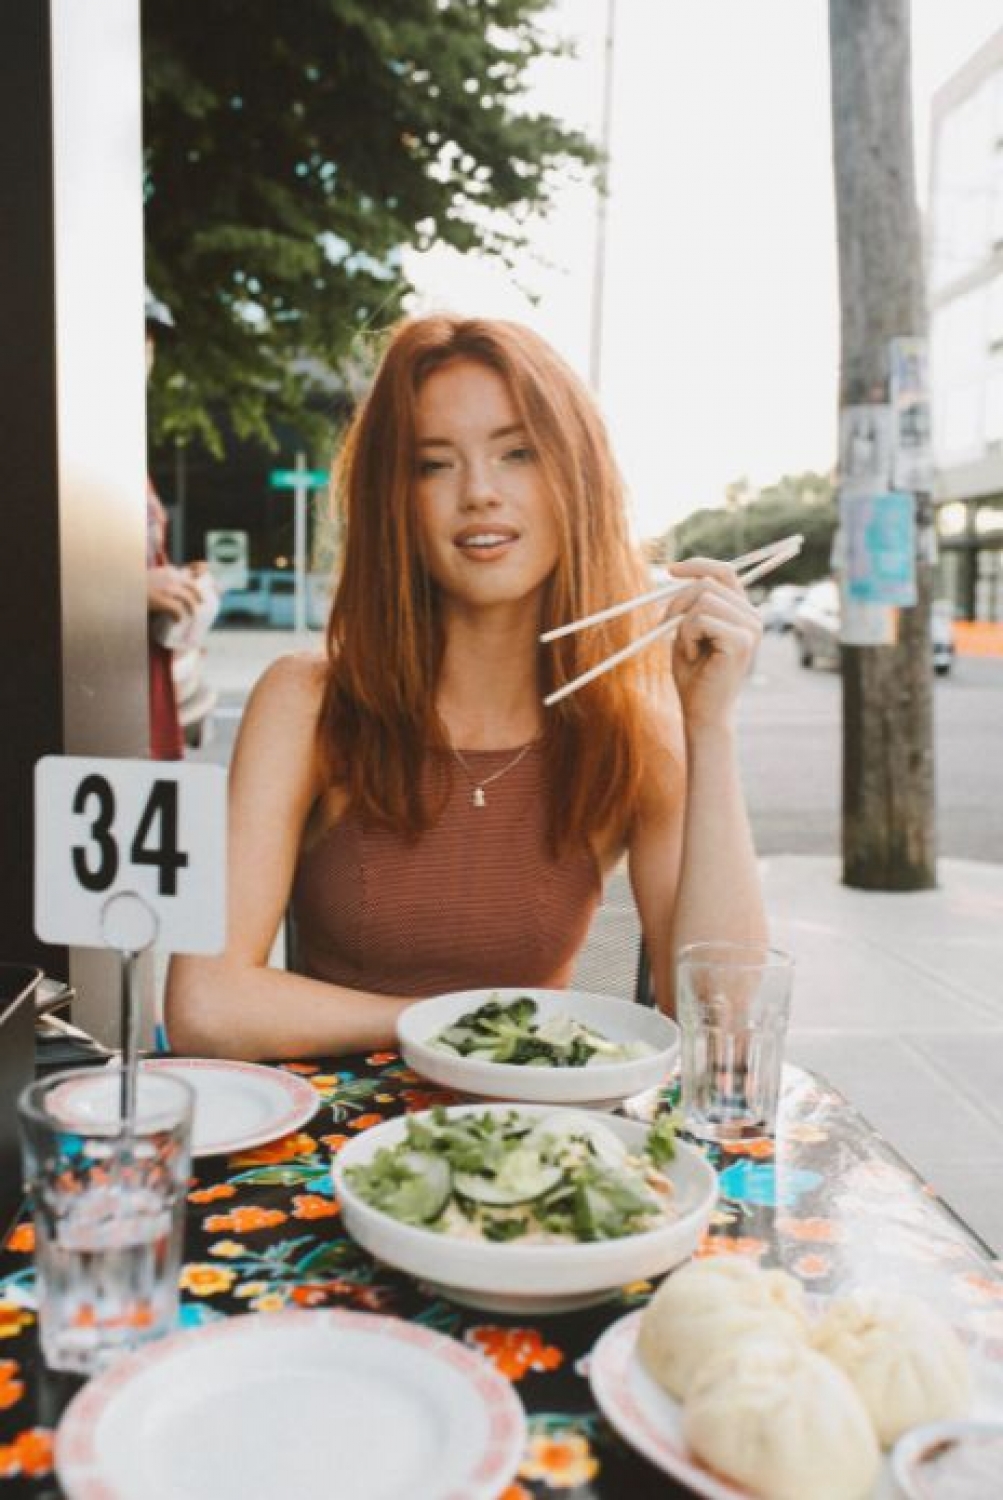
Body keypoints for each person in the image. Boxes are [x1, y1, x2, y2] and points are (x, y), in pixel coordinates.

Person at [166, 315, 766, 1061]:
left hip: (538, 1127)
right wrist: (467, 1026)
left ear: (576, 479)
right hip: (339, 1128)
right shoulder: (307, 701)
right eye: (433, 464)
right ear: (394, 500)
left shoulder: (632, 725)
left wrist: (710, 726)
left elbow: (724, 1025)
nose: (479, 492)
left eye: (517, 453)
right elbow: (207, 1006)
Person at [144, 293, 208, 758]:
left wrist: (179, 582)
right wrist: (126, 589)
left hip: (139, 688)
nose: (146, 356)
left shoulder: (114, 450)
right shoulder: (36, 437)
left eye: (148, 342)